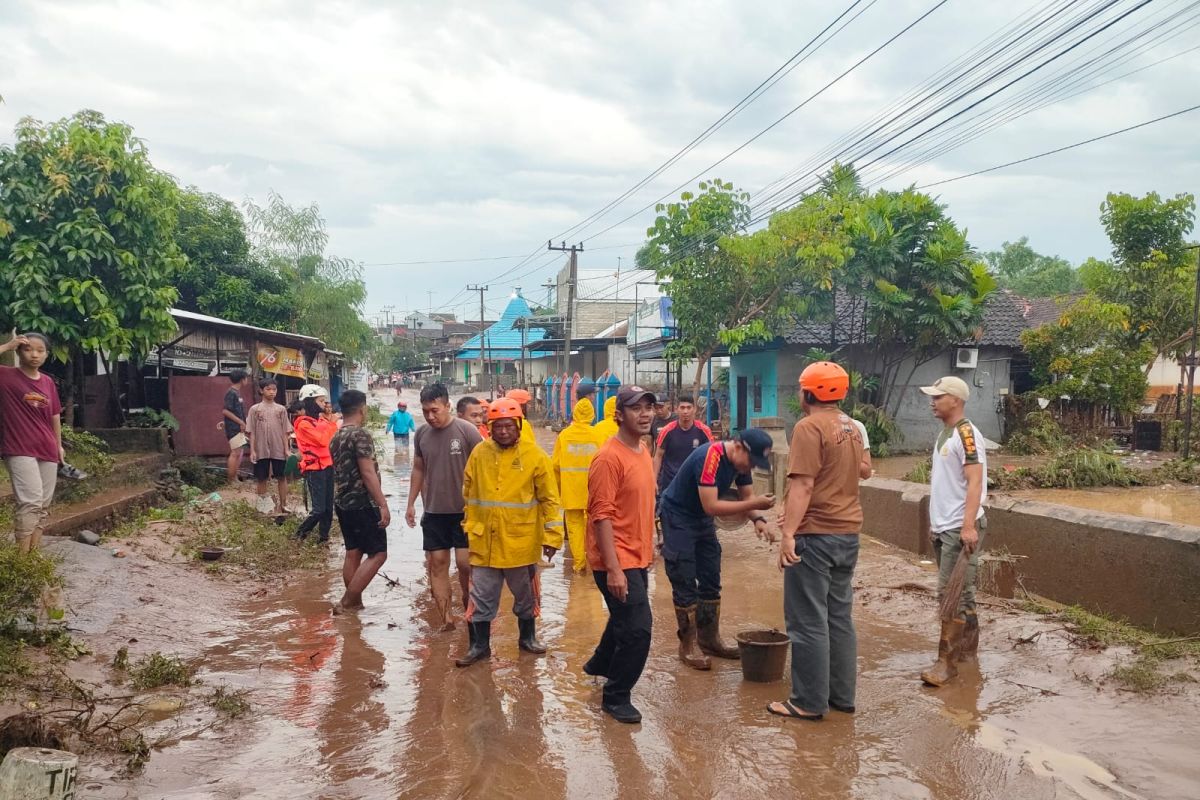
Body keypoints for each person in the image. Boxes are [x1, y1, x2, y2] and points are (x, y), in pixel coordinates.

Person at [769, 361, 864, 722]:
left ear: (809, 392)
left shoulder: (810, 427)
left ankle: (808, 701)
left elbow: (804, 485)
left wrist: (789, 533)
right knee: (839, 617)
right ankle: (842, 696)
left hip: (817, 535)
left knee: (807, 620)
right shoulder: (852, 428)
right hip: (847, 534)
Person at [456, 397, 563, 667]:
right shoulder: (480, 453)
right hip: (485, 542)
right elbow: (468, 493)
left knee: (526, 596)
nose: (503, 431)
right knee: (480, 596)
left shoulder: (535, 456)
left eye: (508, 426)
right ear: (490, 427)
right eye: (498, 426)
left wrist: (552, 538)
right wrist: (469, 524)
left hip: (521, 543)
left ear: (518, 425)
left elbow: (550, 501)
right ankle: (479, 646)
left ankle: (527, 638)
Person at [658, 429, 776, 670]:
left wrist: (759, 520)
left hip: (700, 518)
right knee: (684, 579)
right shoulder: (709, 457)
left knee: (711, 576)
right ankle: (688, 646)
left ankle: (710, 640)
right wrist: (756, 504)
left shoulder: (741, 466)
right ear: (739, 447)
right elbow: (712, 505)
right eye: (752, 461)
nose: (751, 467)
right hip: (678, 515)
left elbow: (747, 497)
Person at [583, 386, 658, 724]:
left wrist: (651, 544)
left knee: (624, 618)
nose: (645, 414)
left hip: (636, 554)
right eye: (636, 408)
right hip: (615, 559)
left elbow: (642, 504)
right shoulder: (608, 458)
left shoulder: (642, 450)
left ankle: (599, 664)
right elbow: (601, 516)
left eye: (649, 407)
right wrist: (614, 570)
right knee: (638, 629)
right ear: (619, 414)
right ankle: (616, 696)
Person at [919, 376, 988, 687]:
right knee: (963, 592)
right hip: (946, 526)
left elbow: (975, 481)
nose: (933, 402)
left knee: (950, 595)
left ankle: (946, 663)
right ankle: (967, 653)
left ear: (956, 400)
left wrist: (968, 525)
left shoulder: (966, 434)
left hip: (959, 528)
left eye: (938, 397)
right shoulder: (946, 434)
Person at [406, 383, 483, 631]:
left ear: (448, 406)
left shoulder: (468, 432)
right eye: (426, 411)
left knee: (465, 564)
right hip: (434, 512)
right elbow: (419, 468)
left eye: (435, 410)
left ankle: (469, 606)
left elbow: (485, 469)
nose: (430, 416)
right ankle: (447, 620)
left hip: (465, 512)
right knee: (437, 564)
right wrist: (410, 503)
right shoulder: (421, 434)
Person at [0, 333, 64, 553]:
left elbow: (55, 416)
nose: (34, 354)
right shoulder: (6, 376)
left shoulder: (47, 382)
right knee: (30, 503)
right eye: (28, 349)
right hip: (18, 448)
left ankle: (33, 559)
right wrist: (7, 345)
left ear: (47, 354)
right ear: (19, 352)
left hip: (47, 448)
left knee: (43, 506)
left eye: (40, 350)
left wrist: (59, 445)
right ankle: (21, 563)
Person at [329, 390, 390, 613]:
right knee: (378, 554)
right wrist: (382, 503)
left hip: (342, 501)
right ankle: (347, 602)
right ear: (362, 409)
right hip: (362, 501)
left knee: (353, 551)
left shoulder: (336, 436)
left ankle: (355, 603)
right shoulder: (360, 435)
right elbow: (367, 472)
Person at [551, 395, 601, 575]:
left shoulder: (564, 436)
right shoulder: (598, 435)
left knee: (574, 529)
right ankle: (593, 562)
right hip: (593, 492)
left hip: (571, 491)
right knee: (592, 528)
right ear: (592, 415)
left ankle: (579, 565)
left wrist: (556, 490)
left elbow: (555, 465)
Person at [294, 384, 338, 543]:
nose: (324, 404)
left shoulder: (320, 420)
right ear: (310, 401)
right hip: (314, 469)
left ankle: (324, 539)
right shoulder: (303, 424)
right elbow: (323, 439)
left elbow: (331, 438)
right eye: (321, 401)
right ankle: (300, 534)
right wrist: (332, 424)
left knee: (328, 508)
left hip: (327, 466)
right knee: (319, 509)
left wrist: (331, 424)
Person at [246, 378, 294, 517]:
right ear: (261, 390)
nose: (272, 392)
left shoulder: (281, 410)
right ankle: (263, 506)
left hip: (278, 447)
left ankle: (284, 505)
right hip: (261, 449)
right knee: (262, 478)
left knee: (281, 477)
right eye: (268, 389)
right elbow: (252, 431)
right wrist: (253, 450)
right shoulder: (255, 410)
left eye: (274, 389)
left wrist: (286, 449)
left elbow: (286, 431)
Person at [653, 394, 713, 494]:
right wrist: (653, 481)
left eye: (689, 408)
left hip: (694, 483)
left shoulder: (704, 430)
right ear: (676, 410)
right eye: (682, 408)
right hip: (670, 483)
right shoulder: (667, 430)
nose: (685, 411)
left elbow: (712, 456)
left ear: (694, 409)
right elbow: (658, 456)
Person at [221, 369, 250, 483]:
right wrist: (241, 422)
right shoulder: (231, 393)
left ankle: (235, 477)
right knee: (235, 453)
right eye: (246, 378)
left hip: (238, 427)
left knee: (238, 453)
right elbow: (225, 411)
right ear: (242, 380)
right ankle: (231, 480)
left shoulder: (236, 393)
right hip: (234, 428)